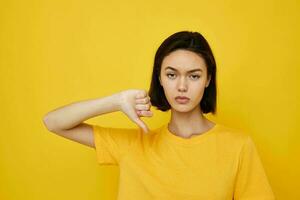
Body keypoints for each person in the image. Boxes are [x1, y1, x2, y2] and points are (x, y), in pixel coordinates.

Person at [43, 31, 275, 199]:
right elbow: (53, 122)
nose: (182, 86)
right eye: (172, 75)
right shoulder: (133, 145)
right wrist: (115, 101)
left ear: (208, 80)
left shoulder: (238, 147)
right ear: (160, 78)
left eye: (193, 76)